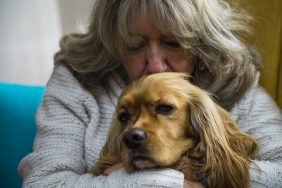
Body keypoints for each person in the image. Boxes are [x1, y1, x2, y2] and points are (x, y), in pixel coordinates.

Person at [19, 0, 282, 187]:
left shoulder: (233, 80)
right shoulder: (77, 78)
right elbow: (44, 183)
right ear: (114, 43)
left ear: (200, 42)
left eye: (173, 43)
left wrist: (193, 173)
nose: (155, 64)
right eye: (134, 45)